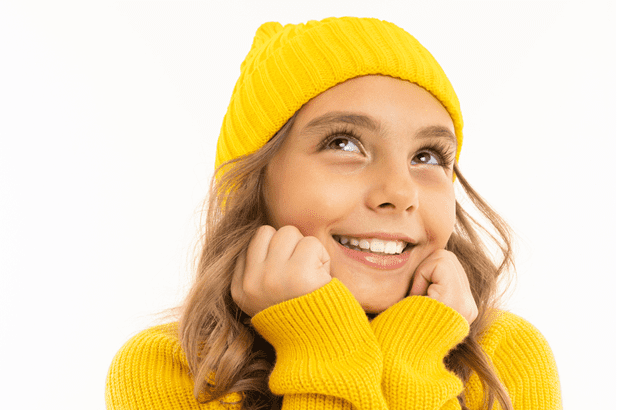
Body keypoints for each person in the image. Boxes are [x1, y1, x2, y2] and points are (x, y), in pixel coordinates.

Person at [105, 17, 561, 410]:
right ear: (252, 183)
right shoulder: (169, 370)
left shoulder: (506, 358)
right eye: (344, 143)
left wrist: (417, 349)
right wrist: (318, 345)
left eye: (427, 156)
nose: (400, 193)